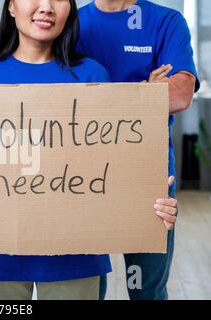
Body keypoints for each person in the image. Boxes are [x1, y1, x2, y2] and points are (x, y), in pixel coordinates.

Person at [0, 0, 179, 300]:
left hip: (76, 258)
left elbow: (111, 168)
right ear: (12, 7)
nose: (46, 7)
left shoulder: (92, 76)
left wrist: (149, 202)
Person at [77, 0, 200, 300]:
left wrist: (102, 103)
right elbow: (52, 94)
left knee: (145, 290)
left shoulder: (166, 22)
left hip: (148, 179)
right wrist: (145, 90)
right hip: (81, 177)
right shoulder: (72, 23)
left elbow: (181, 94)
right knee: (86, 289)